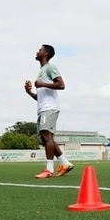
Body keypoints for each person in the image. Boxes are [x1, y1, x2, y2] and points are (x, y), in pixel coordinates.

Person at [25, 44, 74, 178]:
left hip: (50, 108)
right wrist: (29, 92)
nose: (37, 51)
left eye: (40, 50)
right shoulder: (41, 70)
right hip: (43, 108)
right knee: (47, 138)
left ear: (45, 54)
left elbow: (61, 84)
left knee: (47, 137)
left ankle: (49, 170)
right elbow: (40, 97)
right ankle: (65, 163)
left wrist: (42, 84)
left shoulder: (50, 67)